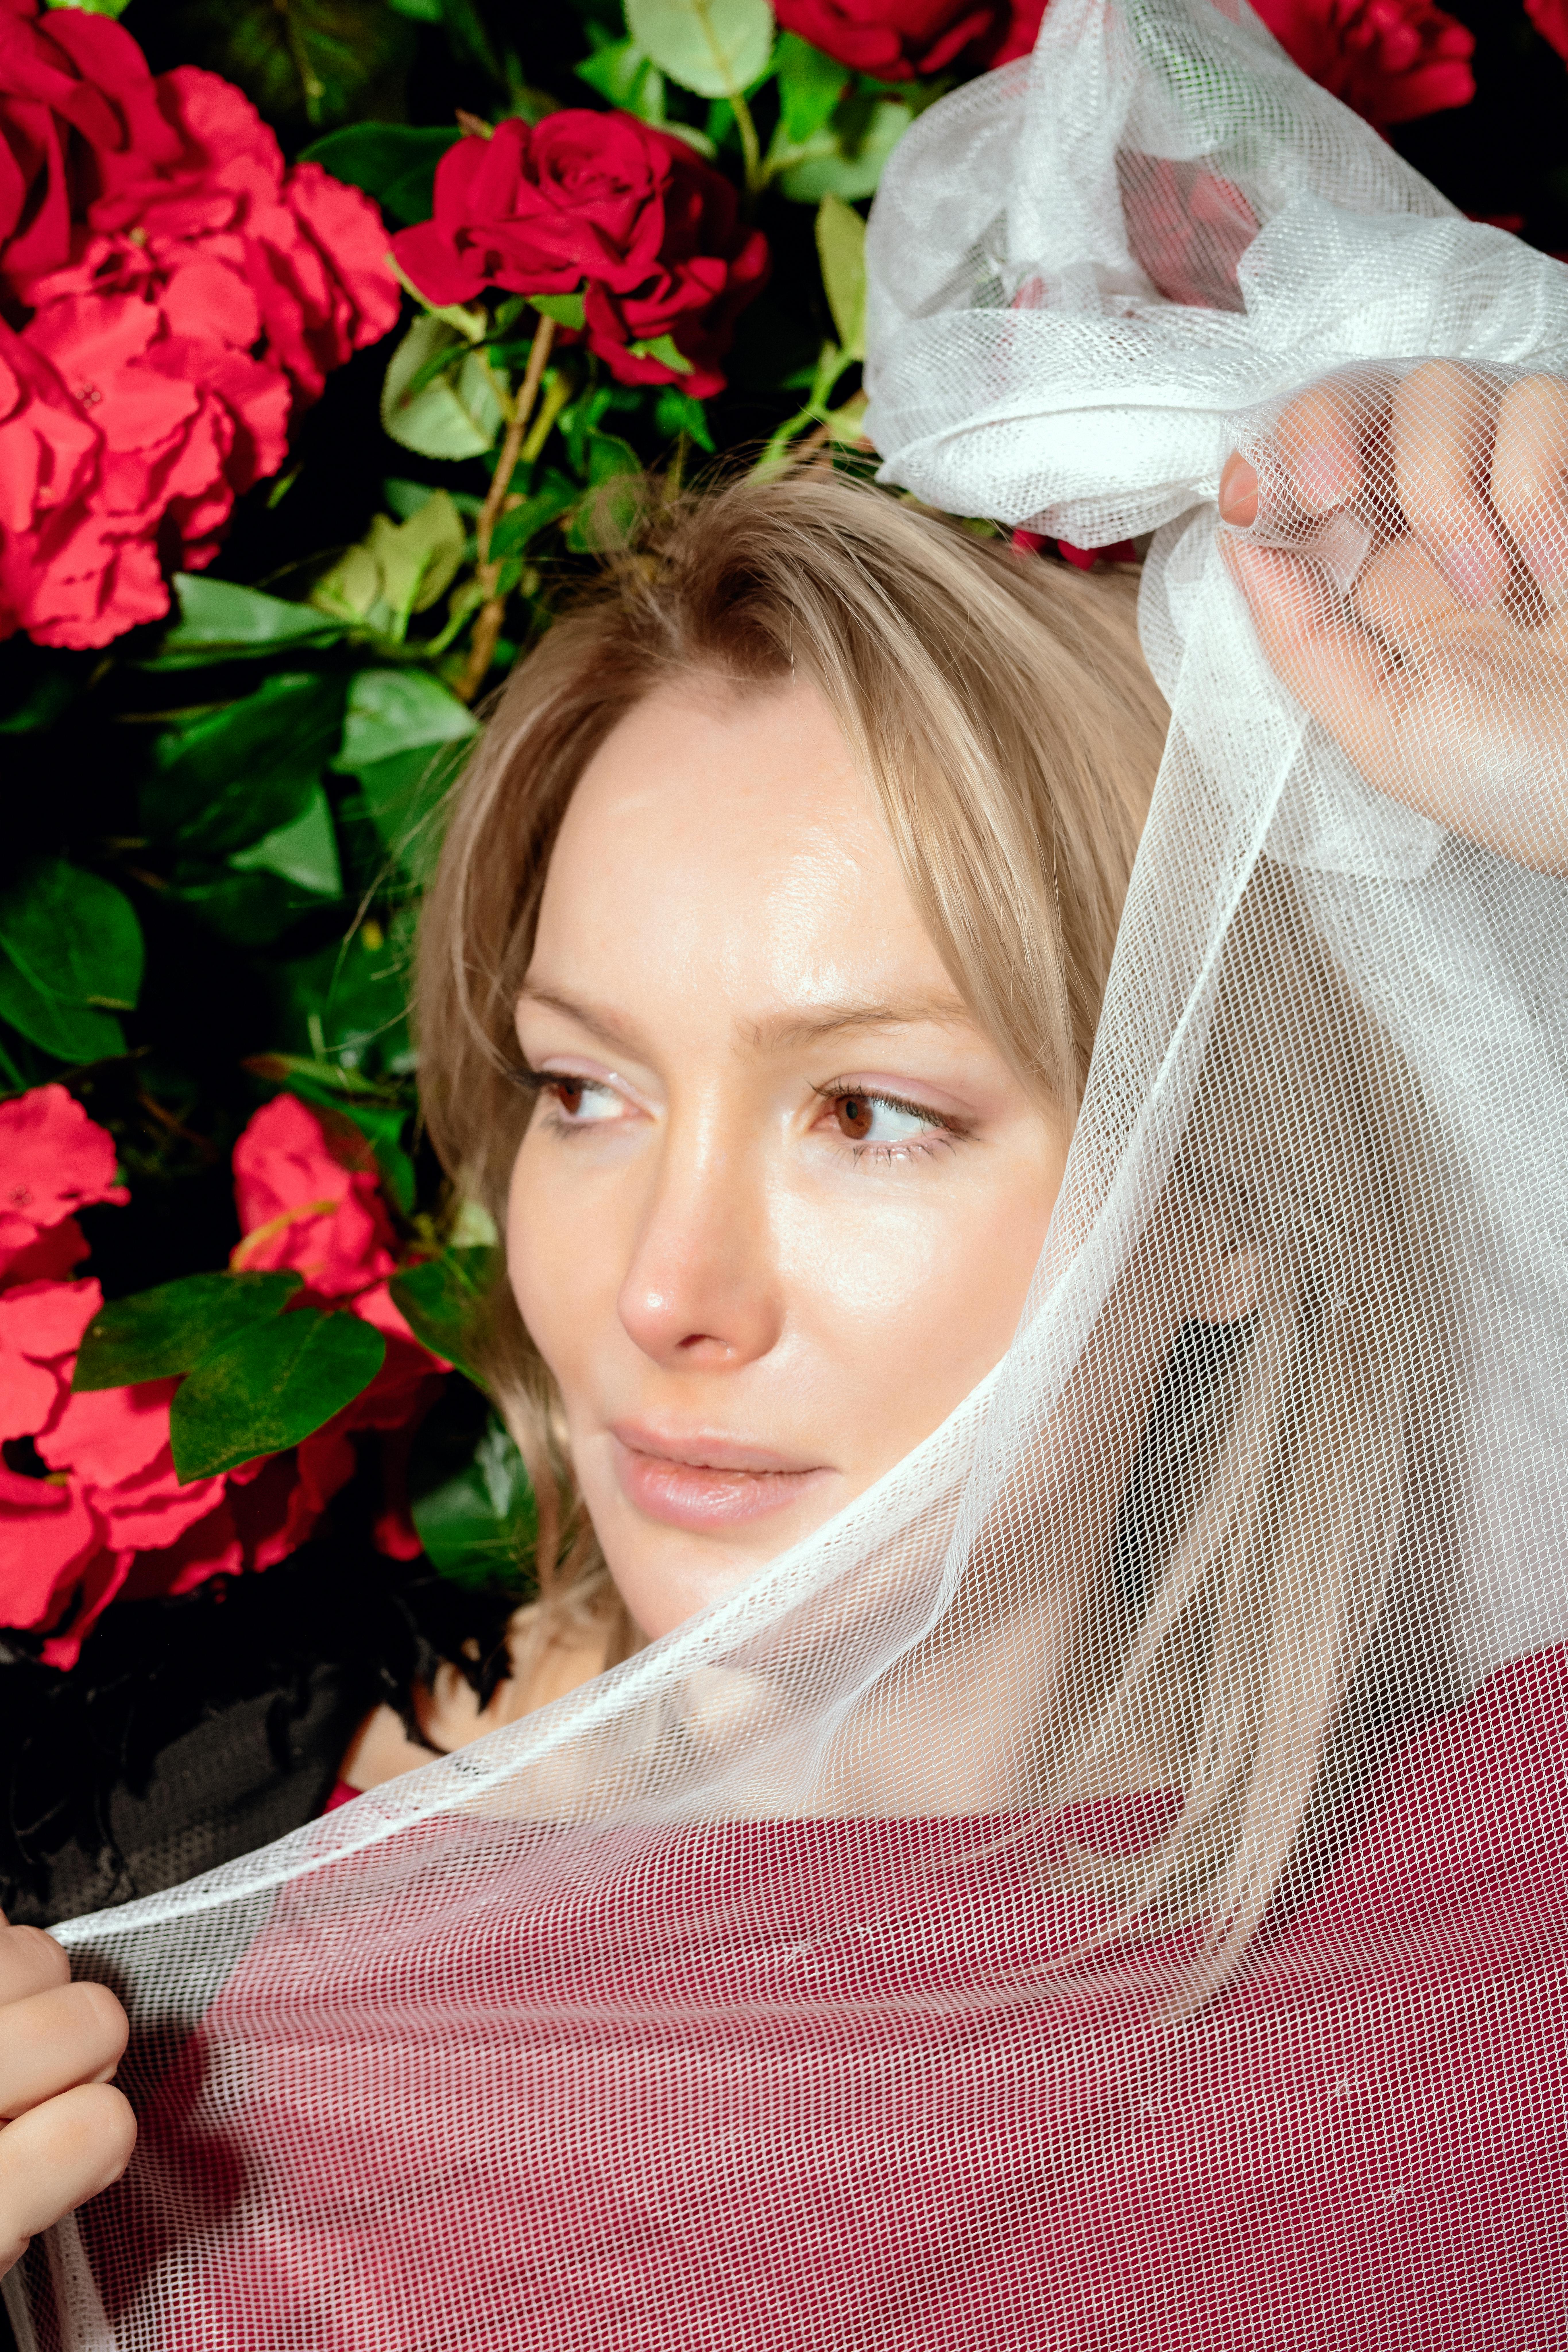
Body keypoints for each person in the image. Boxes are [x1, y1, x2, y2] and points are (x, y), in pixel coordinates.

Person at [6, 0, 1568, 2338]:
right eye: (583, 1092)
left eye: (869, 1113)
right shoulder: (134, 1960)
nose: (659, 1289)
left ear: (1224, 1196)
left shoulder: (1498, 1919)